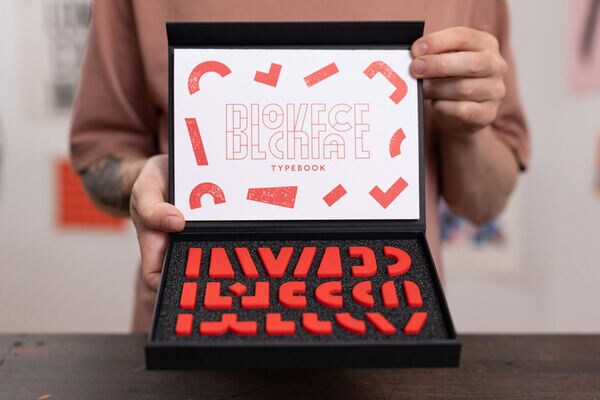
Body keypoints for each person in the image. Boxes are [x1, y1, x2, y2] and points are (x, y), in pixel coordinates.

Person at [70, 0, 529, 332]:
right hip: (192, 318)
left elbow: (485, 203)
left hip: (392, 321)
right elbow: (100, 158)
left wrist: (468, 126)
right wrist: (156, 178)